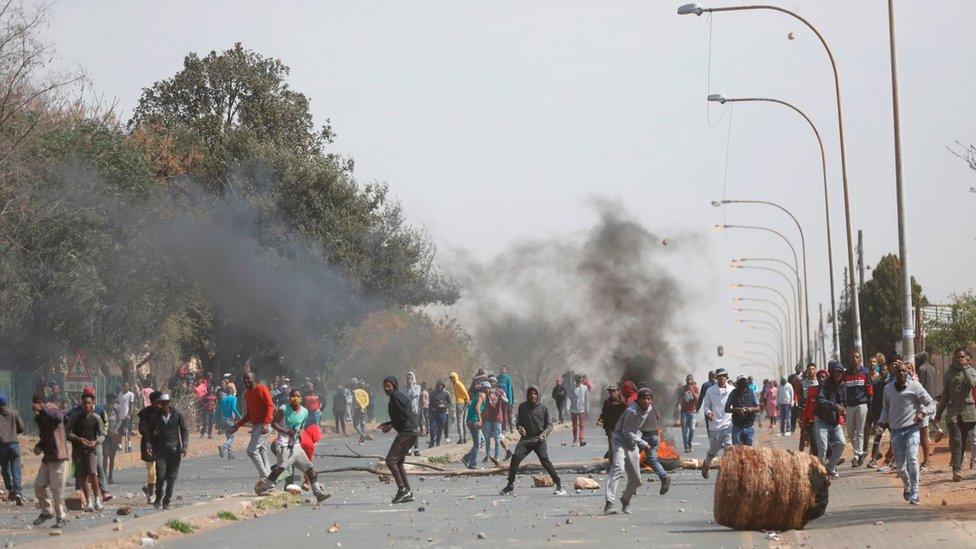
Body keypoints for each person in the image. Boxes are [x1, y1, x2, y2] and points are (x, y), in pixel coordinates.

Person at [256, 388, 331, 502]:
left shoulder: (305, 412)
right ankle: (263, 488)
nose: (295, 398)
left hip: (296, 445)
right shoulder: (283, 409)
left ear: (301, 399)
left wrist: (297, 437)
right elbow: (274, 423)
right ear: (289, 398)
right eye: (292, 396)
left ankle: (318, 493)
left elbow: (301, 427)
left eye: (297, 396)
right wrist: (286, 431)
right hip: (283, 444)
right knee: (281, 468)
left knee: (309, 468)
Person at [878, 360, 936, 505]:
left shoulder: (915, 387)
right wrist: (881, 422)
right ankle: (907, 485)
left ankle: (915, 493)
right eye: (899, 371)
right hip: (896, 432)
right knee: (901, 468)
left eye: (905, 371)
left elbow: (931, 404)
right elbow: (885, 408)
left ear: (908, 372)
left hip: (912, 429)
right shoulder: (888, 389)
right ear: (894, 374)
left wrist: (922, 413)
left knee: (913, 458)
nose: (902, 373)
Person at [603, 388, 668, 515]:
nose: (646, 401)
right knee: (618, 468)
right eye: (643, 398)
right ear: (638, 400)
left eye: (648, 399)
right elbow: (626, 431)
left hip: (632, 444)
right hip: (620, 441)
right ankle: (609, 503)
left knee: (636, 480)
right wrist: (642, 442)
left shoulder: (649, 408)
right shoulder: (631, 411)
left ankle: (625, 499)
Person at [499, 386, 565, 496]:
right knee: (515, 458)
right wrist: (520, 428)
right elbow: (519, 423)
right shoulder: (522, 407)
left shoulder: (543, 408)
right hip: (526, 439)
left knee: (544, 459)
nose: (532, 395)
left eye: (534, 394)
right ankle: (510, 485)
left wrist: (544, 434)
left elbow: (549, 425)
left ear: (538, 395)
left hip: (539, 439)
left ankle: (559, 484)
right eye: (530, 394)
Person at [935, 348, 976, 482]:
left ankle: (960, 464)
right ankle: (956, 470)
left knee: (964, 442)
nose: (960, 359)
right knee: (957, 441)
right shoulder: (949, 374)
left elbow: (971, 384)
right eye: (957, 357)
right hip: (953, 412)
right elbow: (945, 395)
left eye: (962, 357)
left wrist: (964, 369)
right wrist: (939, 413)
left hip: (968, 412)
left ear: (966, 358)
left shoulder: (971, 371)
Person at [228, 373, 275, 481]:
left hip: (263, 425)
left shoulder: (261, 389)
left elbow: (270, 406)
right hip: (256, 425)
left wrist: (266, 423)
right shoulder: (247, 394)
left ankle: (265, 477)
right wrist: (237, 426)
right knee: (262, 450)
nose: (246, 381)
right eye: (244, 379)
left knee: (252, 450)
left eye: (248, 379)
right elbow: (249, 414)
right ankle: (269, 478)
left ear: (254, 378)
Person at [379, 376, 419, 504]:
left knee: (390, 461)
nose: (386, 388)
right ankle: (408, 491)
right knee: (399, 462)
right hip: (410, 431)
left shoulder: (396, 397)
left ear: (394, 386)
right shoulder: (397, 397)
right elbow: (402, 415)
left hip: (407, 432)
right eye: (385, 386)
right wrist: (388, 423)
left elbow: (404, 415)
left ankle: (402, 490)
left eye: (389, 386)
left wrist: (390, 426)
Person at [31, 394, 69, 528]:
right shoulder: (41, 417)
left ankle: (61, 517)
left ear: (40, 402)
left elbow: (58, 418)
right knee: (38, 485)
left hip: (59, 456)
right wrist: (39, 447)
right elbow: (46, 437)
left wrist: (42, 409)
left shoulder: (51, 409)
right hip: (48, 458)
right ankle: (47, 511)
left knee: (56, 490)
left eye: (35, 405)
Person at [146, 394, 187, 509]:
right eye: (161, 403)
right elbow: (149, 432)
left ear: (169, 403)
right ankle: (159, 497)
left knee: (172, 478)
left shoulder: (177, 415)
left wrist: (185, 446)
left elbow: (184, 431)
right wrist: (149, 444)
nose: (163, 405)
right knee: (160, 476)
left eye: (165, 403)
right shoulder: (155, 416)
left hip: (175, 450)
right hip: (161, 450)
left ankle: (167, 501)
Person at [65, 394, 103, 511]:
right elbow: (67, 432)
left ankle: (97, 500)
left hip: (91, 449)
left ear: (92, 404)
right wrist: (78, 439)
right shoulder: (75, 417)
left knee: (92, 473)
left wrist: (96, 442)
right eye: (85, 403)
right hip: (78, 450)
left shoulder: (96, 418)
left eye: (89, 403)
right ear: (82, 404)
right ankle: (88, 502)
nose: (87, 405)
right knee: (82, 476)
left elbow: (102, 434)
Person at [816, 361, 848, 478]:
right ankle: (821, 471)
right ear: (831, 372)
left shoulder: (843, 385)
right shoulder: (824, 384)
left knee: (841, 443)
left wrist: (843, 410)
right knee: (823, 447)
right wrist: (835, 406)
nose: (838, 374)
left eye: (840, 372)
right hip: (822, 420)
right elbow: (820, 400)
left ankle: (830, 467)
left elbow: (843, 401)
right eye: (836, 372)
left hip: (835, 421)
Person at [842, 352, 873, 466]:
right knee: (850, 432)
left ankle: (856, 455)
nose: (855, 359)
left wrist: (870, 404)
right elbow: (843, 389)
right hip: (850, 405)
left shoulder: (865, 372)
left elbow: (869, 388)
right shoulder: (846, 374)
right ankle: (860, 452)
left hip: (862, 404)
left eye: (857, 357)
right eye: (853, 357)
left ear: (860, 359)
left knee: (860, 431)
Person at [700, 368, 731, 478]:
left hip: (728, 425)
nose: (722, 378)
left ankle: (727, 473)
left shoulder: (732, 390)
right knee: (713, 451)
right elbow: (706, 405)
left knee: (729, 449)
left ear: (727, 377)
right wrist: (709, 413)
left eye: (724, 376)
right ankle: (706, 464)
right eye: (719, 376)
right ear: (716, 378)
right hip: (715, 426)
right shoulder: (710, 391)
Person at [0, 391, 25, 505]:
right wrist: (14, 431)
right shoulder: (14, 413)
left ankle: (11, 490)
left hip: (2, 446)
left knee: (5, 469)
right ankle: (18, 492)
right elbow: (22, 427)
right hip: (14, 444)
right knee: (16, 468)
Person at [138, 391, 161, 503]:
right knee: (151, 471)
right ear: (153, 402)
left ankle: (148, 487)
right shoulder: (145, 413)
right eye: (158, 401)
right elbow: (142, 429)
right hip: (148, 444)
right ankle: (151, 494)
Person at [482, 375, 512, 462]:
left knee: (497, 438)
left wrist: (501, 397)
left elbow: (507, 401)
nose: (492, 383)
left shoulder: (500, 391)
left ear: (496, 383)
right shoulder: (486, 392)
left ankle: (496, 456)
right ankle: (488, 455)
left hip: (497, 418)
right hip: (488, 418)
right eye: (490, 381)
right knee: (487, 438)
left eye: (493, 381)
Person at [726, 376, 760, 446]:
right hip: (737, 426)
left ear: (746, 383)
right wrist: (737, 410)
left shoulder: (751, 393)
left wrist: (751, 409)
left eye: (744, 382)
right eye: (741, 382)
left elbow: (758, 408)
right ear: (737, 384)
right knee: (737, 451)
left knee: (748, 452)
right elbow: (726, 409)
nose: (742, 384)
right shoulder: (733, 394)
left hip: (749, 427)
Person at [463, 380, 489, 469]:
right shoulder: (482, 395)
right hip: (474, 421)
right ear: (484, 389)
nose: (489, 390)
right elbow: (477, 407)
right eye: (488, 388)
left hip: (471, 421)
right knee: (477, 443)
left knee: (482, 440)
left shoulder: (479, 395)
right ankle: (472, 464)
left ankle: (466, 458)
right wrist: (480, 420)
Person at [598, 385, 627, 459]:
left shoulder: (624, 403)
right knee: (611, 448)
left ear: (618, 391)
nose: (612, 393)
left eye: (614, 391)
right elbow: (604, 413)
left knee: (621, 448)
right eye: (610, 391)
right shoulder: (607, 403)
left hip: (621, 430)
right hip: (610, 429)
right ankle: (611, 466)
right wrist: (601, 420)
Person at [401, 372, 422, 456]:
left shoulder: (417, 387)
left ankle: (416, 449)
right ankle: (408, 449)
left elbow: (414, 395)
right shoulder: (403, 388)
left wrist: (412, 386)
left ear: (414, 379)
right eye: (407, 379)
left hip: (414, 412)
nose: (409, 380)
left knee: (414, 430)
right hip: (406, 412)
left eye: (411, 378)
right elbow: (405, 397)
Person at [676, 375, 699, 453]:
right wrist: (675, 408)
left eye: (691, 379)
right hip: (684, 412)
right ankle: (686, 447)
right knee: (684, 431)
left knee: (692, 429)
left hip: (692, 412)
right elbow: (678, 399)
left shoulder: (695, 388)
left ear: (693, 380)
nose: (689, 381)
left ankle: (690, 443)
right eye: (688, 379)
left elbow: (697, 399)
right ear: (686, 380)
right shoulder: (682, 389)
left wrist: (692, 390)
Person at [217, 385, 240, 459]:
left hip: (223, 420)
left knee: (228, 436)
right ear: (233, 391)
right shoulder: (234, 398)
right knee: (231, 438)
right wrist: (240, 417)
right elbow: (233, 408)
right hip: (229, 420)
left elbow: (218, 410)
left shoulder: (223, 399)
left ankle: (230, 454)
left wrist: (217, 422)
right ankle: (223, 447)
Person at [102, 393, 120, 484]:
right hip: (105, 435)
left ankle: (110, 476)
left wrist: (115, 430)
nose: (111, 402)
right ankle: (104, 476)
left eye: (113, 400)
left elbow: (119, 420)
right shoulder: (102, 410)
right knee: (105, 455)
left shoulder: (116, 410)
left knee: (112, 457)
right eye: (110, 400)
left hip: (114, 435)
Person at [449, 371, 470, 444]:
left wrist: (467, 400)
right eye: (450, 378)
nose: (451, 380)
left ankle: (461, 437)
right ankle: (463, 437)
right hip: (462, 403)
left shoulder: (458, 384)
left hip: (460, 403)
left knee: (460, 421)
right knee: (463, 421)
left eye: (452, 378)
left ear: (455, 377)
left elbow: (465, 392)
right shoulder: (456, 384)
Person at [428, 380, 451, 447]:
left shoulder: (445, 394)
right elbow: (430, 404)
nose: (439, 387)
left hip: (442, 413)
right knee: (432, 428)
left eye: (441, 385)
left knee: (440, 429)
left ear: (443, 386)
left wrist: (444, 406)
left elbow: (449, 403)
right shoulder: (432, 394)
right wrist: (430, 411)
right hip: (434, 413)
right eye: (438, 385)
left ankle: (438, 442)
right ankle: (432, 442)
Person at [568, 375, 589, 446]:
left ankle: (581, 439)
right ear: (575, 380)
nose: (579, 381)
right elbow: (569, 399)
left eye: (580, 379)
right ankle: (575, 439)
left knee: (581, 425)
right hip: (573, 409)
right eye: (578, 379)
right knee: (574, 426)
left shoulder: (585, 388)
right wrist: (567, 409)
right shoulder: (571, 388)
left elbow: (586, 399)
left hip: (581, 408)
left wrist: (587, 409)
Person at [498, 365, 516, 433]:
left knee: (509, 414)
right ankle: (503, 429)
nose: (502, 371)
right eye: (501, 369)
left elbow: (510, 390)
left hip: (507, 399)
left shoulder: (508, 379)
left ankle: (511, 428)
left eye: (504, 369)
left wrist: (511, 401)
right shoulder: (498, 378)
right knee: (501, 414)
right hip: (499, 400)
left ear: (506, 371)